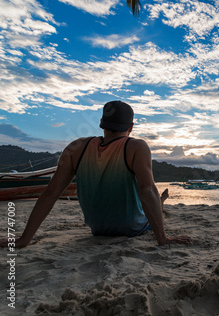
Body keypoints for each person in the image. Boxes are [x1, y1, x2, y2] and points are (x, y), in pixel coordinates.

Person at [0, 101, 190, 248]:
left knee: (150, 197)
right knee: (152, 194)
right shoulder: (137, 147)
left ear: (101, 124)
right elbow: (146, 189)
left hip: (97, 229)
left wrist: (23, 239)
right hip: (131, 228)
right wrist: (163, 239)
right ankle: (161, 203)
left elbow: (51, 193)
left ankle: (160, 202)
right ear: (130, 127)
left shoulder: (75, 147)